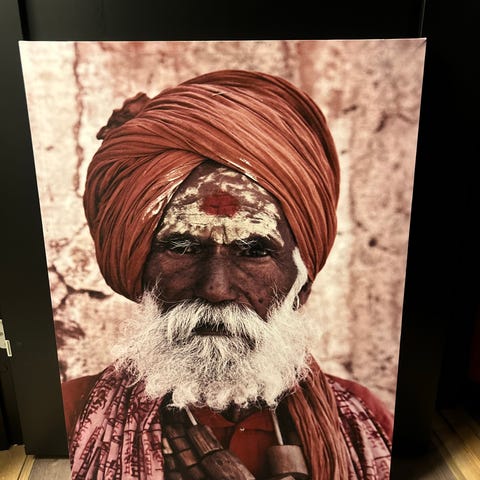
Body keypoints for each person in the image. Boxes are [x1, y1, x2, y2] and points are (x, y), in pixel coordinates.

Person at [62, 70, 393, 480]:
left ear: (301, 283)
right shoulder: (72, 415)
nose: (215, 288)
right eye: (182, 247)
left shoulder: (362, 419)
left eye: (254, 251)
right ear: (138, 271)